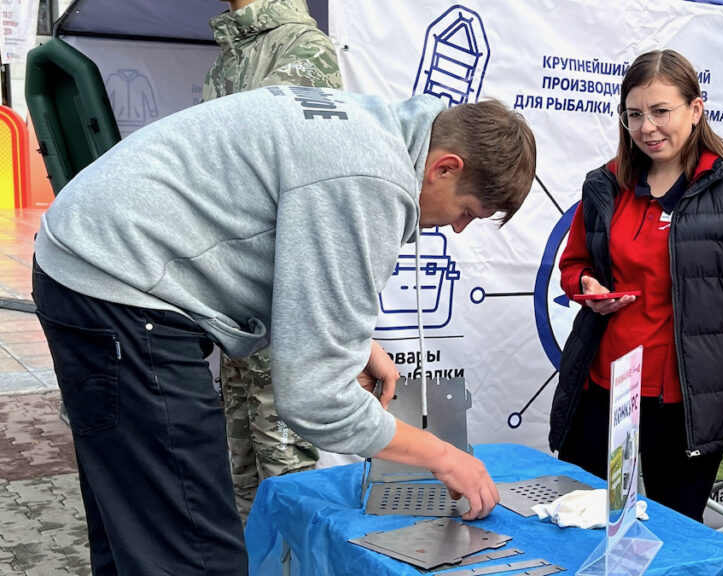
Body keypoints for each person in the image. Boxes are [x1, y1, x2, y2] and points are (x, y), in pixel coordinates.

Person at [33, 86, 535, 575]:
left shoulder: (369, 130)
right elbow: (314, 399)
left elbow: (291, 257)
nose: (458, 228)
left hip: (88, 262)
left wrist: (353, 344)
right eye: (467, 212)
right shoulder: (369, 177)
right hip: (120, 287)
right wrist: (443, 457)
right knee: (194, 550)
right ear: (444, 167)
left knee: (136, 519)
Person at [547, 49, 723, 523]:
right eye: (634, 115)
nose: (647, 127)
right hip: (603, 393)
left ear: (695, 110)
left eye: (660, 111)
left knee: (674, 539)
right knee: (587, 525)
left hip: (683, 406)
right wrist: (586, 285)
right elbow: (573, 264)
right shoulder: (604, 184)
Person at [204, 0, 344, 523]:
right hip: (232, 298)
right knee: (239, 462)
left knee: (283, 472)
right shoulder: (231, 54)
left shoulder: (302, 48)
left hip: (274, 298)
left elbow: (308, 185)